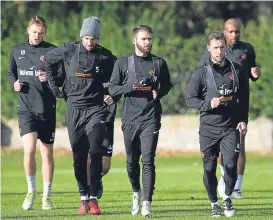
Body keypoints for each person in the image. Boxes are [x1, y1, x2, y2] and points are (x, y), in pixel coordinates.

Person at [44, 16, 116, 215]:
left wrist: (113, 95)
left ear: (98, 38)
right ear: (81, 37)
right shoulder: (69, 49)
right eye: (86, 38)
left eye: (93, 38)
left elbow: (119, 76)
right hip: (74, 110)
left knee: (94, 153)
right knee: (78, 156)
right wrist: (55, 87)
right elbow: (48, 60)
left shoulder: (106, 56)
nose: (90, 42)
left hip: (96, 110)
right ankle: (83, 198)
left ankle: (93, 200)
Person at [108, 25, 172, 217]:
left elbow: (167, 85)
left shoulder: (159, 63)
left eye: (149, 39)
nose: (148, 42)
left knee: (148, 160)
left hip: (151, 118)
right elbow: (112, 88)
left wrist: (158, 92)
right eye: (144, 39)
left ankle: (147, 203)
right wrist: (129, 86)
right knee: (131, 161)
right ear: (134, 40)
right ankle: (136, 192)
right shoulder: (123, 63)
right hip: (130, 119)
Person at [186, 31, 249, 217]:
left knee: (230, 166)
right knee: (209, 168)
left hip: (230, 127)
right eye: (215, 48)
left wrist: (243, 120)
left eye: (222, 47)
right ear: (209, 49)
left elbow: (244, 100)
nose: (219, 51)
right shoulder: (201, 73)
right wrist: (208, 103)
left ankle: (227, 197)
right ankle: (214, 202)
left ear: (226, 48)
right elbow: (190, 100)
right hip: (208, 129)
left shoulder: (237, 71)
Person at [7, 15, 65, 210]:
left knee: (46, 152)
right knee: (29, 148)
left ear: (45, 32)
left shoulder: (52, 51)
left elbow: (60, 77)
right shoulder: (17, 50)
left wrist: (47, 78)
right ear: (28, 30)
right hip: (26, 109)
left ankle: (46, 195)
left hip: (47, 109)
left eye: (41, 33)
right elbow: (10, 73)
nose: (37, 36)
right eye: (34, 32)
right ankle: (31, 191)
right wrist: (13, 84)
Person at [200, 18, 261, 199]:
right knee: (219, 148)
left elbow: (252, 72)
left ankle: (236, 187)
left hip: (239, 104)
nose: (234, 35)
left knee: (239, 143)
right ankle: (225, 176)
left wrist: (255, 74)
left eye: (237, 31)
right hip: (219, 107)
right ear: (224, 32)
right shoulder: (214, 50)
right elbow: (202, 76)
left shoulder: (247, 49)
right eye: (231, 31)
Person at [86, 73, 119, 200]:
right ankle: (88, 192)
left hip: (107, 121)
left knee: (105, 167)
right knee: (90, 156)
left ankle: (97, 179)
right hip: (91, 119)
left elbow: (121, 88)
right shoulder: (89, 69)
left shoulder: (114, 68)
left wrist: (114, 97)